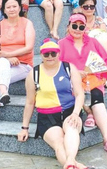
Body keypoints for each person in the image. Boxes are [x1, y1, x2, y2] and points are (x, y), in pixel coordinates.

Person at [17, 40, 87, 169]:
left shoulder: (68, 67)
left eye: (53, 54)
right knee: (59, 142)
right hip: (47, 117)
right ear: (41, 55)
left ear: (58, 53)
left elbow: (80, 94)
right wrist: (24, 128)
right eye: (46, 54)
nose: (50, 57)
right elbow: (30, 102)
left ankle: (70, 162)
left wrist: (76, 113)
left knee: (71, 130)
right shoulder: (34, 73)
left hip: (70, 111)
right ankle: (74, 165)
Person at [58, 14, 107, 155]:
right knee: (78, 92)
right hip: (72, 80)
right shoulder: (61, 44)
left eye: (81, 26)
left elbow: (106, 58)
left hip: (94, 78)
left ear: (85, 28)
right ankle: (89, 113)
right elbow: (56, 66)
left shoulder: (93, 41)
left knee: (97, 100)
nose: (77, 29)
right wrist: (74, 72)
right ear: (68, 26)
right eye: (74, 26)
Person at [78, 0, 107, 88]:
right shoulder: (77, 21)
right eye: (86, 7)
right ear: (81, 8)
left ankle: (103, 76)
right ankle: (102, 77)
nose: (89, 9)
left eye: (92, 6)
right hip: (83, 47)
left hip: (99, 48)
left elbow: (104, 36)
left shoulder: (99, 20)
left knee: (103, 46)